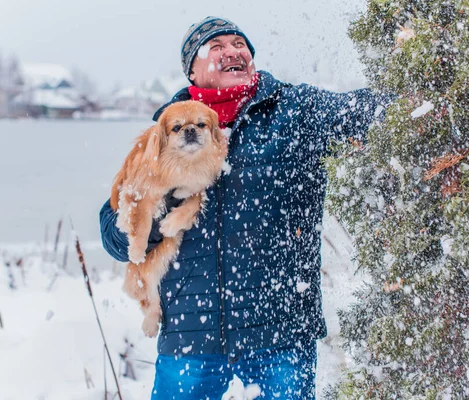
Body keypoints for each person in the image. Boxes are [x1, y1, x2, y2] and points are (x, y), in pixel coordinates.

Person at [100, 16, 390, 399]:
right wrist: (163, 205)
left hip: (279, 333)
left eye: (240, 45)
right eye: (216, 47)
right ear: (193, 68)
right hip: (190, 335)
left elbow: (365, 112)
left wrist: (425, 99)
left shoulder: (294, 111)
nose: (233, 52)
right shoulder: (163, 134)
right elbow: (113, 236)